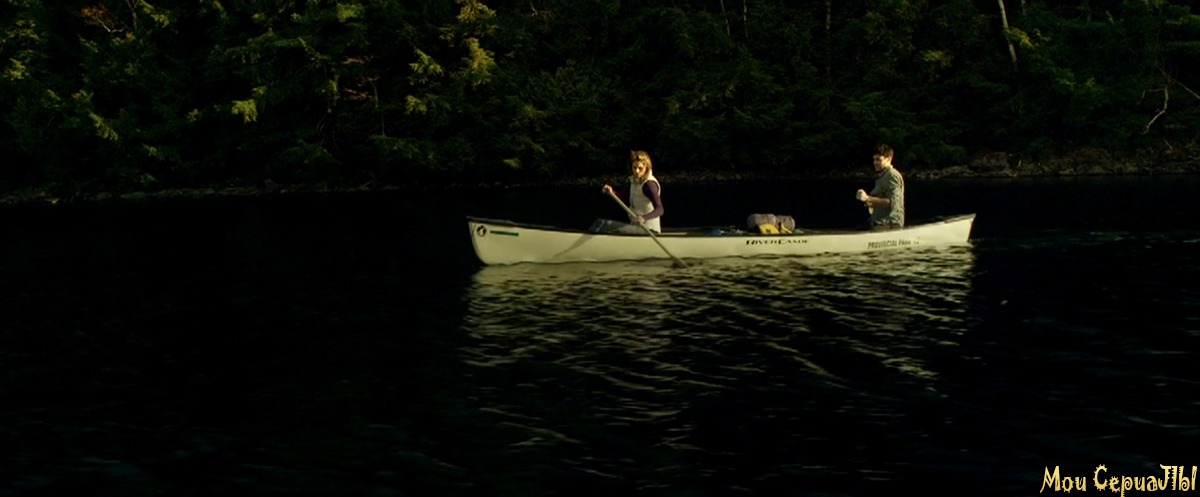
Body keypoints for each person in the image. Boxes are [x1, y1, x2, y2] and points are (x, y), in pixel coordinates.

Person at [591, 150, 665, 234]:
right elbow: (624, 198)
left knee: (604, 224)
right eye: (634, 168)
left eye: (640, 168)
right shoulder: (633, 181)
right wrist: (611, 192)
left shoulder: (649, 185)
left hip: (649, 230)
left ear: (646, 168)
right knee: (599, 223)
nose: (637, 171)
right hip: (635, 226)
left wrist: (644, 218)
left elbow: (660, 209)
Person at [855, 144, 905, 230]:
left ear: (889, 159)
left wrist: (868, 198)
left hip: (890, 224)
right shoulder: (882, 176)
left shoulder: (892, 175)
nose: (875, 163)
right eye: (874, 159)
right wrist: (869, 202)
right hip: (878, 222)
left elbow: (893, 203)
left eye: (878, 159)